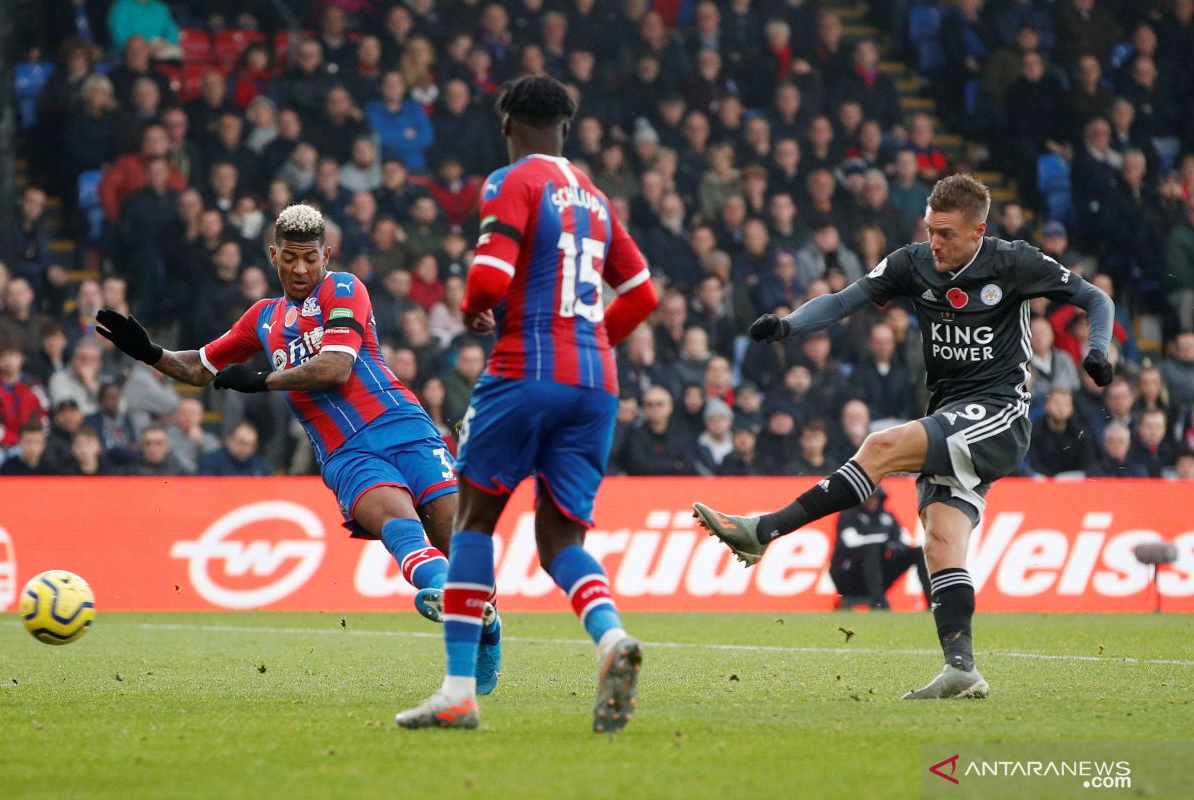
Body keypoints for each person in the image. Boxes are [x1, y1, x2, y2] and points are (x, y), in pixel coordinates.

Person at [693, 173, 1116, 699]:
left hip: (999, 413)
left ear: (979, 230)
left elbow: (1096, 298)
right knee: (940, 542)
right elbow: (844, 299)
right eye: (930, 230)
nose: (935, 242)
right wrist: (787, 326)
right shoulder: (911, 262)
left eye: (947, 233)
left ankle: (764, 531)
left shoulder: (1013, 261)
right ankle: (961, 668)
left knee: (880, 447)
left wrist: (1099, 350)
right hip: (948, 414)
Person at [95, 203, 500, 682]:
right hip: (346, 454)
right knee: (397, 522)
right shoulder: (262, 318)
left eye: (310, 257)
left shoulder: (344, 288)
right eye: (290, 258)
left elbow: (336, 368)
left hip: (403, 426)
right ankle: (450, 594)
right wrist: (150, 353)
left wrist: (261, 380)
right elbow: (197, 367)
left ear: (326, 253)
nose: (301, 268)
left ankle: (486, 624)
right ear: (273, 255)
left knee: (458, 539)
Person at [396, 75, 657, 731]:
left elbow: (488, 278)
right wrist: (593, 341)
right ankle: (610, 640)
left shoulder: (512, 181)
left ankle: (458, 690)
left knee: (474, 521)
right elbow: (643, 292)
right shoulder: (594, 196)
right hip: (595, 382)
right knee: (560, 538)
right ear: (567, 128)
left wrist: (472, 311)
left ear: (508, 124)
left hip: (525, 369)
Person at [829, 488, 930, 610]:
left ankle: (932, 603)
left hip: (880, 576)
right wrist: (884, 542)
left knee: (916, 552)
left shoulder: (887, 517)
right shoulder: (848, 515)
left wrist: (894, 547)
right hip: (850, 575)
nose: (872, 502)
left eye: (875, 498)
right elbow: (851, 541)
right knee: (872, 550)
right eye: (869, 498)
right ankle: (878, 602)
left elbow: (905, 540)